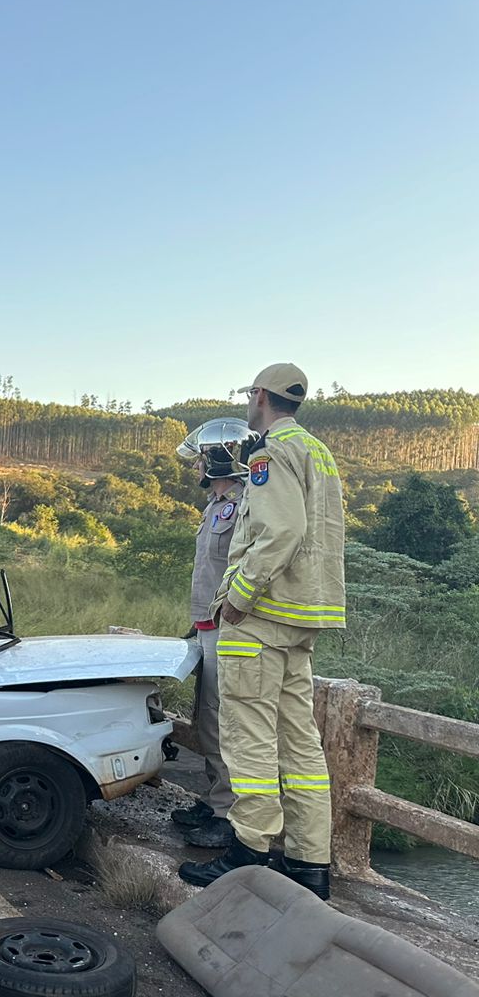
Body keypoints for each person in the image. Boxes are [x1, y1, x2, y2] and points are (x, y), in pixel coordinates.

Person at [180, 363, 346, 900]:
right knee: (300, 746)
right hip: (305, 614)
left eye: (250, 395)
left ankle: (247, 850)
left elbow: (281, 530)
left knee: (247, 736)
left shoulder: (269, 452)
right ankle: (308, 864)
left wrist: (240, 598)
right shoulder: (317, 451)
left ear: (259, 396)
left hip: (263, 616)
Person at [170, 418, 254, 849]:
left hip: (229, 630)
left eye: (202, 458)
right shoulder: (215, 506)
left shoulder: (243, 506)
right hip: (207, 626)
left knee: (224, 721)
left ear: (221, 457)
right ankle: (213, 798)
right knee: (206, 720)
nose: (196, 467)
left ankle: (228, 813)